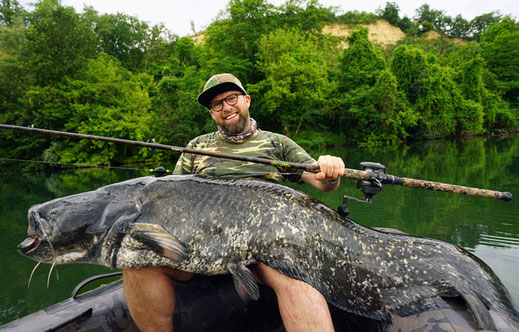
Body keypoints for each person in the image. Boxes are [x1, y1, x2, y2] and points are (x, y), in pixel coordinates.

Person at [123, 73, 346, 332]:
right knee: (136, 263)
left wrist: (331, 170)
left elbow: (321, 181)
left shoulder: (277, 143)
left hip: (266, 248)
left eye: (231, 98)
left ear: (247, 100)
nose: (226, 107)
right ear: (211, 114)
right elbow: (172, 202)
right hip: (201, 246)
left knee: (298, 282)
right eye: (216, 104)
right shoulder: (196, 147)